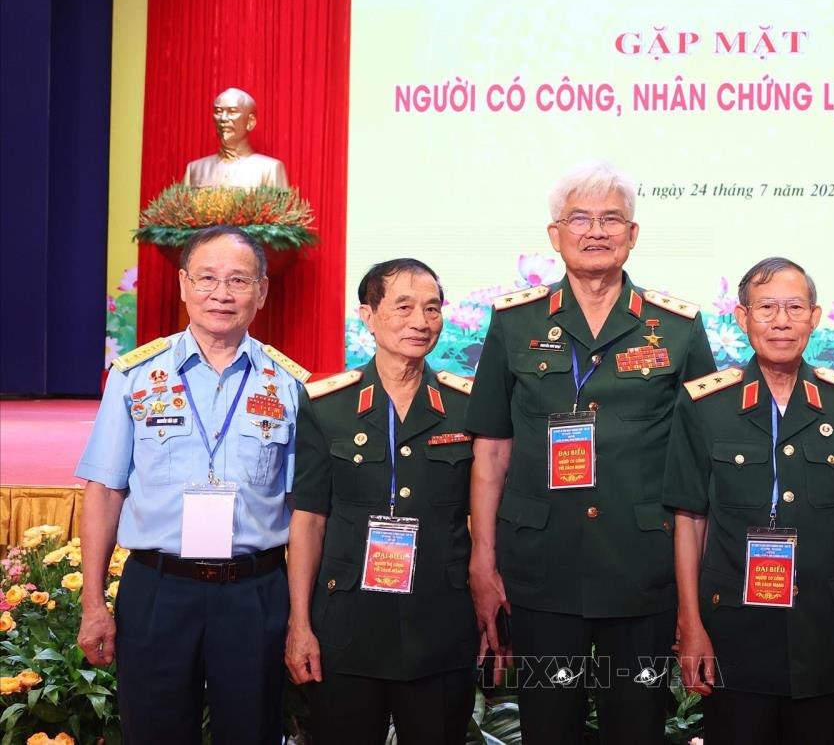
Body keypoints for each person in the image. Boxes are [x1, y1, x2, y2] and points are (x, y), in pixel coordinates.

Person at [466, 161, 717, 745]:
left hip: (643, 570)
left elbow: (701, 462)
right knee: (548, 728)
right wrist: (484, 560)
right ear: (555, 235)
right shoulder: (514, 322)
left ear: (633, 234)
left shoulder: (677, 327)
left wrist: (695, 581)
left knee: (638, 728)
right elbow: (493, 452)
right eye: (580, 219)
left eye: (612, 219)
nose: (596, 231)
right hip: (542, 569)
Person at [75, 225, 308, 744]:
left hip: (254, 591)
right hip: (159, 588)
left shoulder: (289, 386)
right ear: (183, 285)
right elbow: (105, 491)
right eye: (207, 278)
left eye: (238, 280)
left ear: (262, 291)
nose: (221, 294)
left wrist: (301, 617)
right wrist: (93, 603)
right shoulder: (134, 377)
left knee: (251, 732)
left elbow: (303, 509)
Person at [663, 257, 834, 744]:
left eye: (794, 307)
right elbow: (689, 520)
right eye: (766, 308)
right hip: (733, 629)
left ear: (815, 317)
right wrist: (690, 623)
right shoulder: (705, 405)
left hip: (826, 630)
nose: (781, 321)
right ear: (742, 318)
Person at [285, 259, 477, 744]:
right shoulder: (327, 405)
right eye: (403, 307)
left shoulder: (468, 405)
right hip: (348, 624)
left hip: (440, 623)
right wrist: (300, 623)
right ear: (367, 316)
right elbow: (309, 520)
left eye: (432, 308)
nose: (421, 322)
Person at [185, 88, 289, 188]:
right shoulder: (195, 169)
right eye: (218, 111)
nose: (223, 118)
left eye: (232, 112)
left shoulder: (269, 169)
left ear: (250, 122)